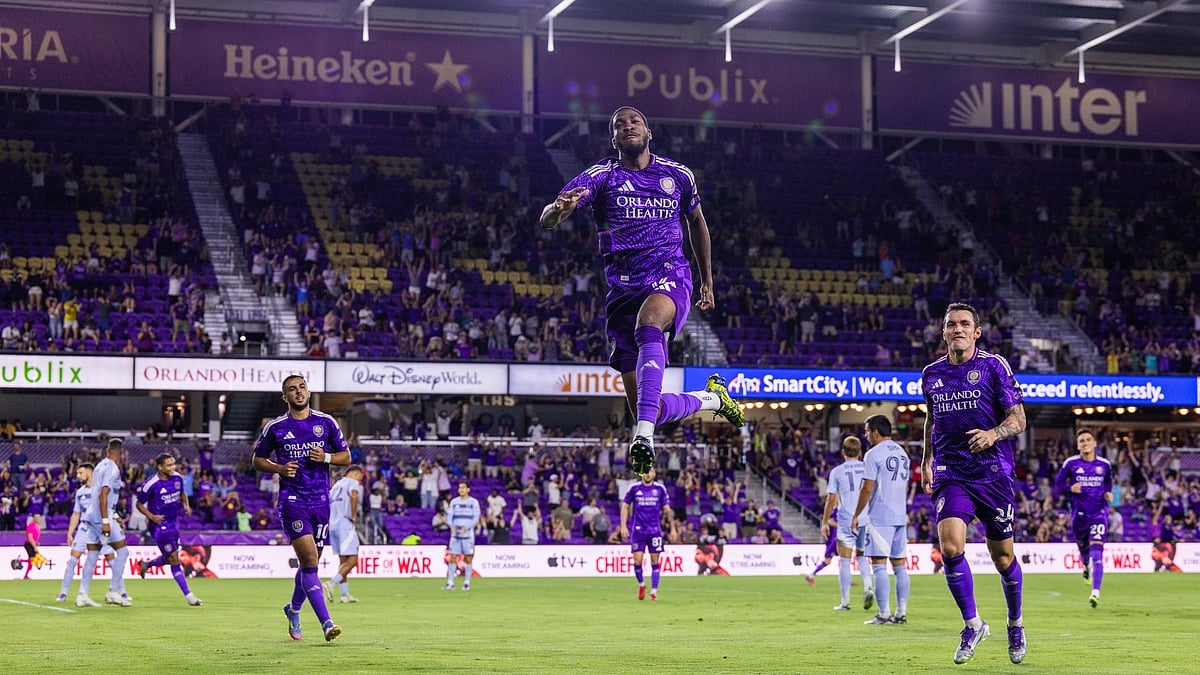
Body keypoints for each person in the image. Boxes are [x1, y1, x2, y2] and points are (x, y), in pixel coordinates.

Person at [540, 105, 744, 476]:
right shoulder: (601, 176)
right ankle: (710, 399)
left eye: (635, 121)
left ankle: (643, 438)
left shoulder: (677, 175)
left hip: (669, 275)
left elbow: (697, 222)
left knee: (649, 323)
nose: (628, 126)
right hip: (622, 291)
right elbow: (548, 219)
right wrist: (558, 210)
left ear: (649, 133)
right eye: (619, 124)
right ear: (613, 138)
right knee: (649, 407)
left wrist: (707, 280)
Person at [920, 302, 1027, 664]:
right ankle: (972, 624)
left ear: (976, 332)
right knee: (950, 548)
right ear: (944, 332)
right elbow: (932, 419)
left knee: (1003, 558)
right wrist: (927, 459)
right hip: (951, 471)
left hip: (993, 473)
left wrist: (993, 434)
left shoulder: (994, 366)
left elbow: (1019, 419)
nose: (958, 329)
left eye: (965, 324)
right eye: (952, 324)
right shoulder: (931, 374)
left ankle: (1015, 623)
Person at [253, 374, 350, 642]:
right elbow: (258, 459)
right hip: (293, 501)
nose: (298, 392)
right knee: (309, 562)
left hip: (321, 501)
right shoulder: (276, 427)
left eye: (302, 387)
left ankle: (293, 609)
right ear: (285, 397)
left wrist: (326, 456)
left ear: (308, 392)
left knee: (311, 564)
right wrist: (279, 468)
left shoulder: (325, 422)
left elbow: (346, 456)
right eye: (292, 389)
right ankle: (327, 623)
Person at [852, 414, 912, 625]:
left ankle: (884, 614)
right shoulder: (902, 453)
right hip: (900, 515)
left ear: (876, 432)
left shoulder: (873, 454)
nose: (866, 435)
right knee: (899, 565)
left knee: (878, 564)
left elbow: (866, 488)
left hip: (881, 516)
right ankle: (901, 613)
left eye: (867, 431)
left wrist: (856, 515)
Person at [133, 452, 203, 606]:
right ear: (160, 467)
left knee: (170, 557)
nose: (173, 467)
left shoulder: (177, 478)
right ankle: (189, 596)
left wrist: (186, 505)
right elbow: (139, 504)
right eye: (169, 465)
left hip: (174, 523)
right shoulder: (151, 484)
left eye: (173, 464)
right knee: (174, 559)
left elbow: (182, 494)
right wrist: (151, 516)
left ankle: (146, 565)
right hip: (159, 526)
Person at [1055, 429, 1113, 608]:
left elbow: (1108, 482)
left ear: (1095, 443)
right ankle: (1086, 565)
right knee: (1084, 549)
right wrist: (1069, 489)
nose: (1085, 443)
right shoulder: (1071, 463)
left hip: (1099, 514)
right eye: (1082, 441)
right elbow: (1057, 485)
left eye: (1088, 440)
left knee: (1097, 553)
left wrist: (1108, 493)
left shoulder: (1104, 465)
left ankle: (1095, 592)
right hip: (1079, 515)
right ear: (1078, 445)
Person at [819, 436, 873, 611]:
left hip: (845, 520)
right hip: (864, 519)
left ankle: (845, 602)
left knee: (844, 560)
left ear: (843, 452)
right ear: (860, 452)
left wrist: (825, 521)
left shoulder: (837, 471)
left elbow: (831, 499)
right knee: (862, 557)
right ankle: (868, 587)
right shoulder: (867, 468)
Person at [77, 439, 132, 608]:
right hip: (101, 517)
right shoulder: (112, 469)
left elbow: (99, 494)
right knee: (123, 551)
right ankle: (113, 592)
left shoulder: (100, 465)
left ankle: (82, 595)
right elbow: (103, 494)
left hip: (92, 515)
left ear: (108, 450)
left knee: (93, 555)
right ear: (121, 453)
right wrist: (106, 520)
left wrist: (113, 515)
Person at [620, 466, 671, 600]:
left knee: (655, 561)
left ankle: (654, 592)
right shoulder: (634, 488)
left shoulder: (660, 489)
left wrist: (673, 528)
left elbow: (667, 509)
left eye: (650, 471)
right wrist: (623, 526)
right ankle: (642, 584)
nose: (647, 474)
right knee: (637, 561)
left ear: (654, 473)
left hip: (655, 531)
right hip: (638, 531)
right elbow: (625, 506)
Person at [325, 465, 364, 604]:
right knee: (353, 559)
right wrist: (353, 515)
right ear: (355, 473)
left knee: (343, 561)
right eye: (360, 477)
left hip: (333, 525)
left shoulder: (335, 486)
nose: (360, 480)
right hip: (345, 524)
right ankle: (331, 583)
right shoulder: (352, 482)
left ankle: (344, 595)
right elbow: (353, 495)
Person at [443, 481, 481, 591]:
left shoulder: (473, 502)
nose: (461, 490)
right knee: (453, 558)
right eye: (460, 488)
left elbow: (476, 518)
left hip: (468, 535)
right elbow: (450, 516)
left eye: (463, 488)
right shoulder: (454, 502)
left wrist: (467, 527)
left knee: (468, 558)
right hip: (455, 535)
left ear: (468, 489)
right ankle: (450, 583)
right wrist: (451, 526)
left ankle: (467, 582)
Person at [23, 514, 44, 579]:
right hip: (29, 544)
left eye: (39, 518)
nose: (38, 519)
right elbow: (30, 538)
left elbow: (34, 537)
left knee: (32, 560)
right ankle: (20, 561)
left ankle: (26, 575)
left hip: (32, 544)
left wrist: (36, 542)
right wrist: (34, 546)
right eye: (36, 518)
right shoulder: (31, 526)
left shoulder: (37, 526)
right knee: (32, 559)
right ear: (33, 518)